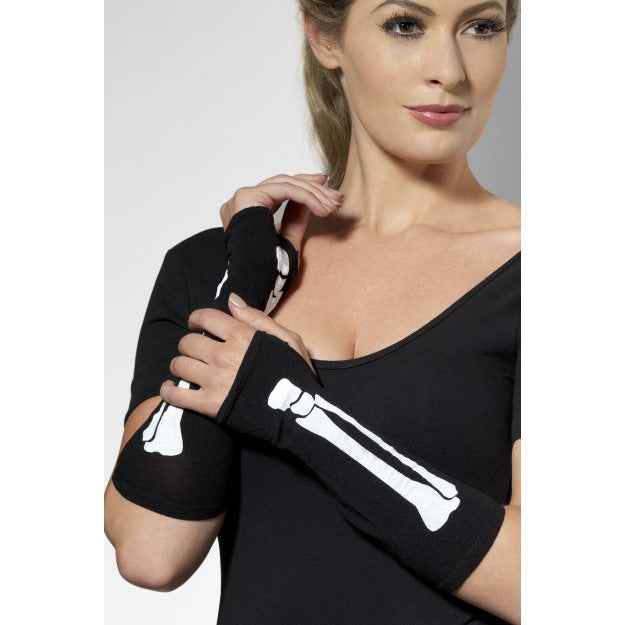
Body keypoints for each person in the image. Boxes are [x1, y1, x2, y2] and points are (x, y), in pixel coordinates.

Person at [104, 1, 521, 623]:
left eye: (482, 27)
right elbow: (151, 551)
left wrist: (296, 412)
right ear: (325, 37)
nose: (451, 70)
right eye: (405, 25)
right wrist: (244, 282)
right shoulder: (215, 268)